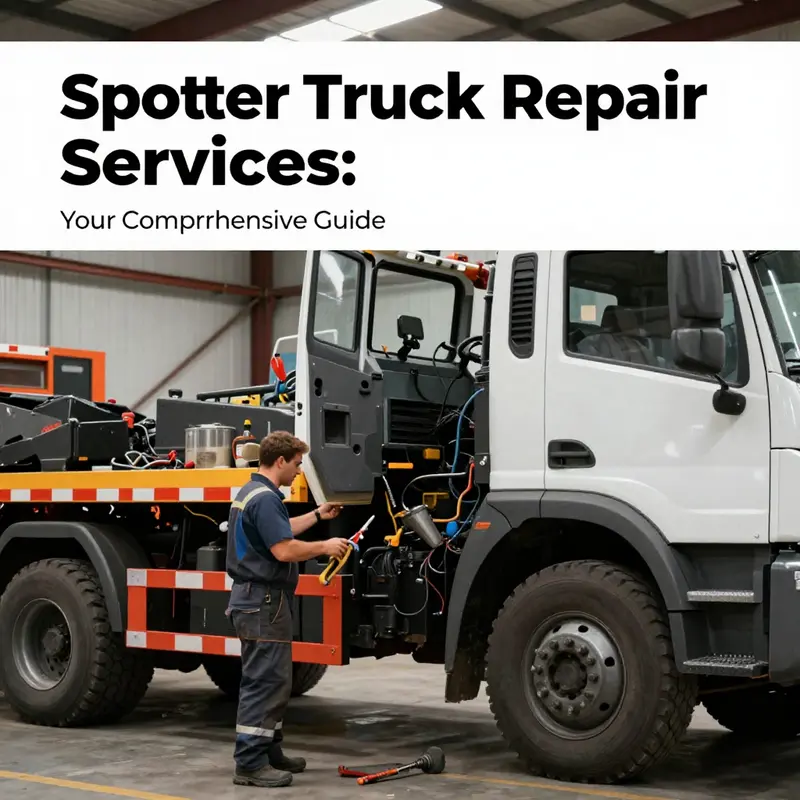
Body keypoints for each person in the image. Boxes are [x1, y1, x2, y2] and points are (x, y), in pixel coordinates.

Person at [226, 430, 349, 788]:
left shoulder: (253, 492)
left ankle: (268, 750)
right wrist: (324, 546)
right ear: (279, 461)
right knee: (264, 681)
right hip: (263, 601)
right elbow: (283, 549)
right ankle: (250, 763)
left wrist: (317, 515)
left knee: (275, 680)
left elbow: (278, 531)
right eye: (296, 464)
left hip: (257, 600)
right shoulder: (265, 499)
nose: (298, 472)